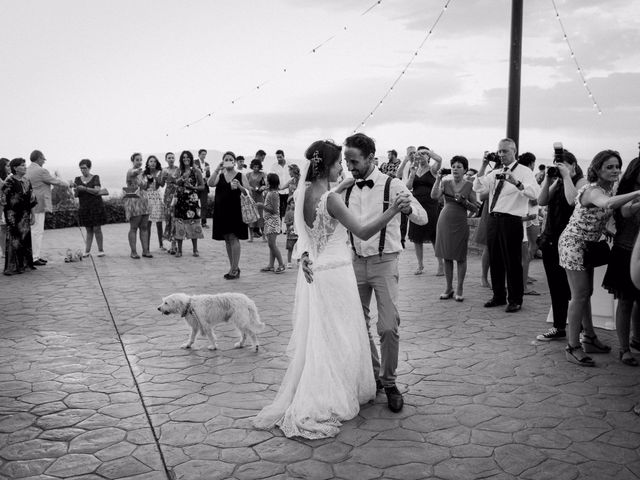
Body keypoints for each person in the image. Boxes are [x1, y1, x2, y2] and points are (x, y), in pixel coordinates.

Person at [253, 139, 410, 439]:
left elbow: (304, 236)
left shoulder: (305, 195)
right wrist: (392, 212)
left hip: (319, 273)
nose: (343, 167)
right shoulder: (332, 200)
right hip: (338, 273)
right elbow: (362, 230)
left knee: (324, 335)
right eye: (339, 163)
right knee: (342, 334)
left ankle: (329, 385)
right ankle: (333, 393)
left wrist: (306, 257)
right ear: (328, 165)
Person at [342, 133, 428, 412]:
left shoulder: (394, 184)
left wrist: (409, 209)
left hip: (384, 261)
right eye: (346, 161)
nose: (350, 166)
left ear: (370, 158)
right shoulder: (347, 188)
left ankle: (389, 382)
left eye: (354, 161)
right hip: (354, 263)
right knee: (358, 323)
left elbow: (422, 217)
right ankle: (375, 374)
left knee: (389, 326)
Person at [559, 150, 640, 366]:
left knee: (587, 293)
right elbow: (609, 204)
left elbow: (623, 211)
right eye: (609, 167)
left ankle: (590, 338)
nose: (615, 171)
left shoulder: (610, 188)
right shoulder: (592, 191)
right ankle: (572, 346)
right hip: (574, 244)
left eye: (617, 167)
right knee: (580, 295)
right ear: (597, 169)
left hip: (589, 245)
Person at [473, 139, 539, 313]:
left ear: (514, 151)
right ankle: (498, 296)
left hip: (511, 219)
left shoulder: (524, 172)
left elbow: (534, 193)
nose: (501, 155)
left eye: (505, 151)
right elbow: (478, 187)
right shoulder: (496, 171)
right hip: (493, 219)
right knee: (495, 259)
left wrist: (516, 182)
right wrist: (483, 165)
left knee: (512, 261)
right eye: (499, 151)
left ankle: (515, 299)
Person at [535, 149, 587, 342]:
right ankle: (558, 327)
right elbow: (541, 201)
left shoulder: (581, 182)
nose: (561, 168)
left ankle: (580, 330)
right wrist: (549, 180)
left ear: (573, 165)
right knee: (556, 287)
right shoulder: (557, 181)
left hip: (571, 243)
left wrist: (566, 177)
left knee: (572, 289)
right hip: (551, 239)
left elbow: (573, 200)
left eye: (564, 165)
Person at [602, 156, 640, 366]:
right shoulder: (630, 190)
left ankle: (637, 340)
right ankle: (624, 349)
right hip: (626, 249)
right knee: (625, 301)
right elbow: (625, 211)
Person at [431, 156, 478, 301]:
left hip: (460, 222)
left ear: (465, 170)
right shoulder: (445, 183)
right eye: (453, 166)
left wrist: (464, 201)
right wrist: (438, 179)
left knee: (461, 257)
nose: (455, 169)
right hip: (444, 220)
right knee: (447, 256)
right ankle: (448, 287)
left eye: (459, 166)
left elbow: (475, 208)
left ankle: (460, 288)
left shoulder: (469, 185)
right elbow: (434, 196)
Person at [25, 149, 69, 265]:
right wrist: (67, 182)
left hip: (29, 204)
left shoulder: (27, 170)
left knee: (32, 231)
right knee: (37, 231)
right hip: (39, 204)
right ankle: (34, 257)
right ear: (39, 158)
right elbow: (56, 182)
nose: (44, 161)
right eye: (43, 159)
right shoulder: (41, 170)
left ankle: (32, 256)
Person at [210, 151, 250, 279]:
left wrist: (239, 186)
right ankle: (234, 267)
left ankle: (234, 269)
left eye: (230, 159)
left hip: (235, 210)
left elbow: (248, 192)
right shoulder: (220, 175)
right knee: (227, 239)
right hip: (221, 211)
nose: (228, 161)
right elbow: (210, 183)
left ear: (234, 161)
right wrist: (217, 168)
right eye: (225, 159)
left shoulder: (240, 175)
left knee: (234, 237)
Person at [406, 145, 444, 275]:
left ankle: (440, 264)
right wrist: (412, 173)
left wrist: (427, 152)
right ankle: (420, 265)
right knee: (417, 236)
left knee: (434, 235)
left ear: (428, 156)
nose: (421, 156)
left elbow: (439, 160)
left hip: (431, 204)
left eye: (424, 154)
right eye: (419, 154)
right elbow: (408, 187)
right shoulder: (414, 169)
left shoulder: (433, 169)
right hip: (416, 204)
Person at [2, 158, 37, 275]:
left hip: (25, 215)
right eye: (22, 165)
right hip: (12, 215)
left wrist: (33, 215)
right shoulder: (9, 181)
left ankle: (25, 265)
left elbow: (32, 199)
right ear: (15, 168)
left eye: (25, 165)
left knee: (25, 239)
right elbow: (3, 199)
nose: (25, 167)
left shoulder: (27, 180)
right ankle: (12, 267)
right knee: (14, 240)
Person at [173, 150, 205, 257]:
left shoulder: (196, 171)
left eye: (188, 157)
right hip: (180, 200)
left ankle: (195, 249)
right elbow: (175, 182)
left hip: (192, 200)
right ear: (181, 160)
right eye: (184, 157)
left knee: (193, 223)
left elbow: (202, 186)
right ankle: (179, 250)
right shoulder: (179, 170)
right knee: (179, 224)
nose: (186, 159)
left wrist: (193, 187)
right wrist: (182, 178)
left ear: (191, 159)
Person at [73, 159, 107, 257]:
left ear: (89, 168)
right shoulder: (77, 179)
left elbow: (97, 190)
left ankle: (101, 249)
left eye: (84, 168)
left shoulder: (95, 177)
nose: (83, 170)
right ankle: (87, 251)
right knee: (88, 229)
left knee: (97, 228)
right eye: (81, 168)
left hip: (96, 206)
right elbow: (76, 195)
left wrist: (85, 188)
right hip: (84, 207)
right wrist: (75, 189)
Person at [518, 152, 541, 295]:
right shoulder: (528, 176)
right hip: (529, 216)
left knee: (527, 250)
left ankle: (524, 276)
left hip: (525, 215)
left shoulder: (521, 175)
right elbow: (533, 199)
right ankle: (523, 283)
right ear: (532, 163)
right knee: (531, 247)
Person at [123, 153, 151, 259]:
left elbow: (145, 186)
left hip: (144, 200)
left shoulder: (142, 174)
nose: (139, 162)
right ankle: (133, 252)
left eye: (140, 160)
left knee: (144, 227)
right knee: (134, 227)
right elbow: (133, 173)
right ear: (133, 161)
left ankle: (145, 250)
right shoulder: (130, 171)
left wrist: (148, 179)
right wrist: (138, 171)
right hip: (134, 201)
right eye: (137, 160)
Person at [257, 173, 285, 274]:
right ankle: (271, 265)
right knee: (271, 245)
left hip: (273, 221)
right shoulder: (271, 192)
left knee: (272, 244)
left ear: (270, 182)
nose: (265, 181)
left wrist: (262, 205)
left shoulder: (273, 194)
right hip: (269, 220)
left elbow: (274, 210)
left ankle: (281, 264)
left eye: (266, 179)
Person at [143, 155, 165, 251]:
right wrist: (148, 180)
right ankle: (147, 246)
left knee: (159, 223)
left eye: (154, 161)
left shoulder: (160, 172)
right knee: (148, 223)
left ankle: (161, 244)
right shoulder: (144, 174)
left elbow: (161, 185)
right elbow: (144, 187)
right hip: (147, 198)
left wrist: (156, 178)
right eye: (151, 161)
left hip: (156, 198)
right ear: (147, 163)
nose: (153, 163)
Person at [161, 152, 179, 254]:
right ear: (166, 159)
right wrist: (162, 177)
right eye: (169, 158)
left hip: (176, 195)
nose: (171, 159)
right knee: (168, 219)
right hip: (167, 195)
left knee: (175, 219)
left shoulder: (178, 169)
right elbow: (162, 184)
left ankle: (174, 244)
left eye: (172, 157)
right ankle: (170, 243)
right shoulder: (164, 170)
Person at [247, 158, 266, 241]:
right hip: (251, 196)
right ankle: (251, 237)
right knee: (251, 216)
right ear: (252, 166)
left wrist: (262, 188)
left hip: (259, 196)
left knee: (261, 216)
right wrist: (249, 187)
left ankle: (264, 237)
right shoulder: (248, 175)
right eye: (254, 167)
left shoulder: (263, 174)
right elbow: (245, 185)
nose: (256, 168)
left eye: (257, 167)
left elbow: (266, 184)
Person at [269, 149, 291, 222]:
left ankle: (288, 227)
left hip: (289, 190)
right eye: (277, 157)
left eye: (280, 157)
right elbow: (271, 177)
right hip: (278, 191)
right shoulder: (274, 166)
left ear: (283, 156)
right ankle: (280, 226)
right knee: (279, 209)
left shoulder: (289, 165)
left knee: (289, 208)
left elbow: (293, 176)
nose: (279, 159)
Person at [195, 149, 211, 228]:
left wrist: (207, 177)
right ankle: (194, 220)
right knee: (194, 204)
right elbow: (194, 173)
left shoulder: (207, 164)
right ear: (199, 155)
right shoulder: (194, 163)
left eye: (205, 154)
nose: (204, 156)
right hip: (196, 186)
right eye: (202, 154)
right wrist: (203, 170)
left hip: (204, 186)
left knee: (204, 204)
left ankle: (203, 222)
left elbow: (208, 175)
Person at [0, 158, 10, 259]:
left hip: (7, 205)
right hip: (1, 206)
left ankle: (7, 249)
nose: (9, 168)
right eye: (7, 166)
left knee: (6, 228)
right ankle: (3, 251)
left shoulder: (9, 177)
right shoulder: (4, 179)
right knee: (3, 228)